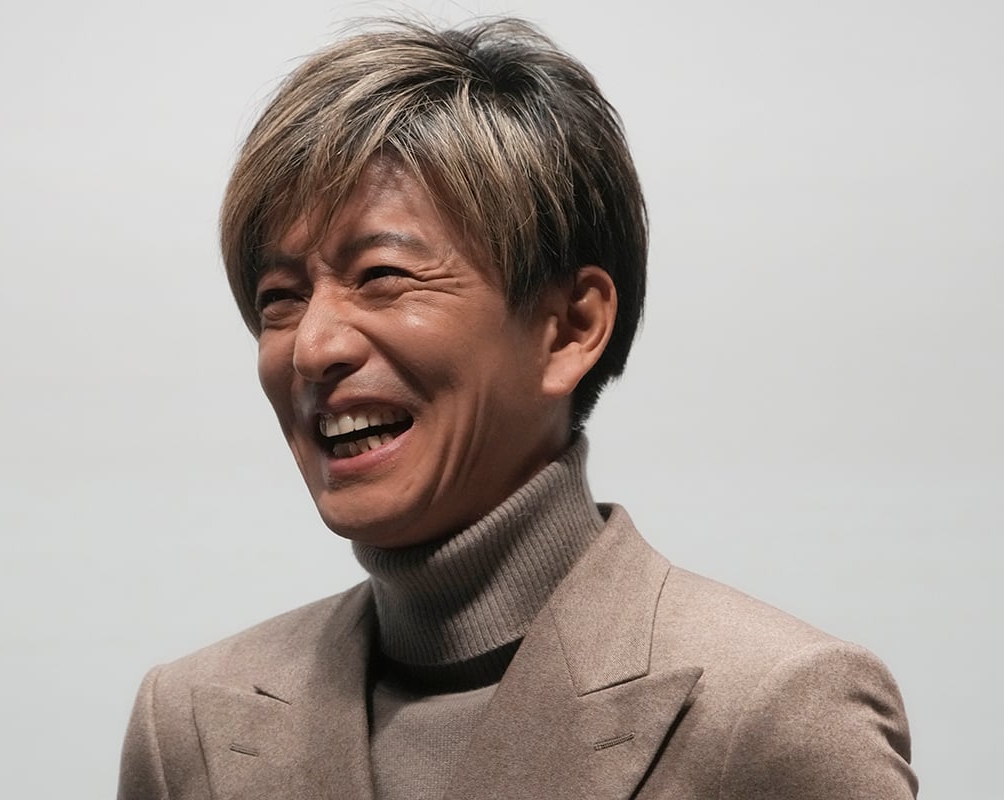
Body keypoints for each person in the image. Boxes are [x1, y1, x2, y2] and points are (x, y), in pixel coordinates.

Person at [117, 17, 917, 800]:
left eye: (382, 276)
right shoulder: (186, 725)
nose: (312, 346)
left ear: (569, 329)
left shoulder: (772, 709)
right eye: (280, 298)